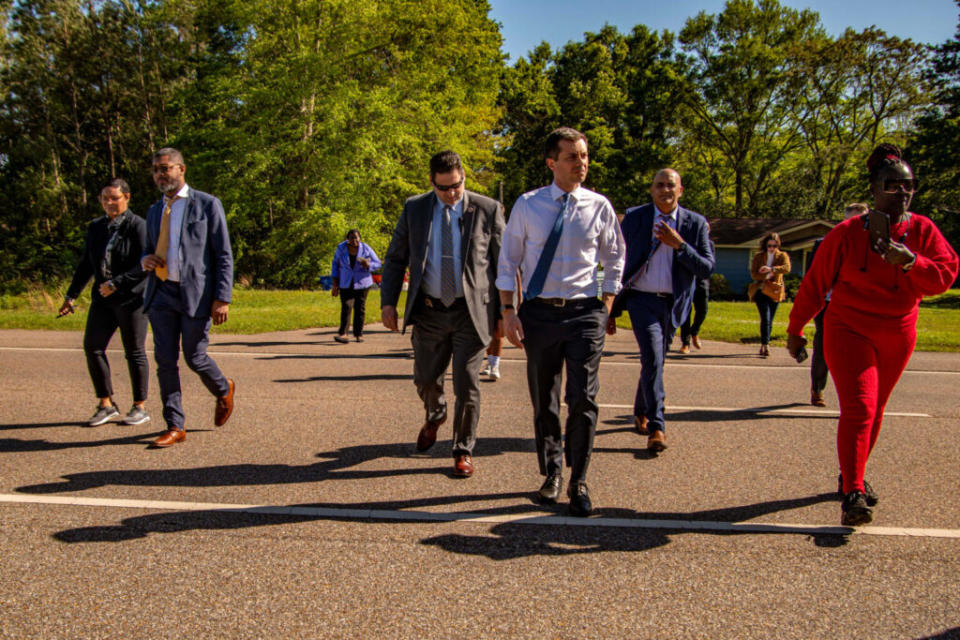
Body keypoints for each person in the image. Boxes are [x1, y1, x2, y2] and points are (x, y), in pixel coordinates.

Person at [787, 143, 958, 526]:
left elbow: (945, 276)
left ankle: (854, 474)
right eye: (892, 185)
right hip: (849, 329)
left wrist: (911, 261)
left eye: (908, 185)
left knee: (876, 410)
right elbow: (815, 285)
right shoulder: (846, 234)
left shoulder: (923, 230)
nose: (902, 193)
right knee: (860, 407)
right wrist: (795, 330)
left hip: (898, 332)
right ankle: (853, 493)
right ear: (874, 189)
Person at [498, 127, 625, 517]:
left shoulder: (598, 206)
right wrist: (508, 311)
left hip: (585, 312)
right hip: (539, 313)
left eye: (584, 156)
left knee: (583, 397)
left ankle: (579, 479)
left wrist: (606, 301)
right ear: (552, 163)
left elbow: (615, 255)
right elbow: (509, 261)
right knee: (545, 399)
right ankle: (552, 471)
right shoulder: (528, 205)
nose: (581, 163)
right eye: (572, 157)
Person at [380, 150, 504, 478]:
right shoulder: (415, 209)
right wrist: (388, 302)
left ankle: (462, 449)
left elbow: (503, 264)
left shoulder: (488, 209)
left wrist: (506, 312)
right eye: (444, 187)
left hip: (471, 312)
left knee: (467, 384)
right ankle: (435, 415)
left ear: (463, 176)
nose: (452, 193)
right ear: (432, 182)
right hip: (430, 312)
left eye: (457, 185)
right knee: (424, 379)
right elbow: (396, 258)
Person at [609, 169, 714, 452]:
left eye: (671, 186)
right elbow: (616, 260)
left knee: (655, 362)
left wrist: (679, 245)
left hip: (675, 303)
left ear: (681, 190)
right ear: (651, 190)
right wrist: (609, 305)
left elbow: (706, 267)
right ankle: (657, 426)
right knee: (653, 358)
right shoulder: (635, 218)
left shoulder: (695, 223)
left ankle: (641, 408)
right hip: (641, 301)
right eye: (659, 185)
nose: (665, 190)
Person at [140, 148, 236, 448]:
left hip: (195, 294)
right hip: (162, 292)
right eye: (156, 169)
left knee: (194, 356)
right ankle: (174, 425)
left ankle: (223, 387)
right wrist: (146, 260)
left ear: (182, 169)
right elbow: (148, 247)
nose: (160, 174)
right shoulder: (155, 210)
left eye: (165, 168)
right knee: (165, 360)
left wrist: (222, 297)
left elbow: (223, 254)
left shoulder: (207, 204)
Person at [58, 178, 150, 427]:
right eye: (104, 199)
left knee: (134, 352)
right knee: (92, 347)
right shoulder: (96, 227)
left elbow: (146, 264)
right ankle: (106, 403)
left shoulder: (138, 226)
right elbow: (87, 264)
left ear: (127, 198)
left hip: (132, 299)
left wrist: (117, 283)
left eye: (114, 198)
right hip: (102, 300)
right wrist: (71, 295)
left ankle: (139, 406)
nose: (109, 203)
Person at [809, 202, 869, 407]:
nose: (857, 224)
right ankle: (817, 389)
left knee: (857, 352)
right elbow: (812, 277)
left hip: (859, 306)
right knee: (823, 347)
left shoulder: (873, 245)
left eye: (862, 220)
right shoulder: (824, 242)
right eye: (852, 220)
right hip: (828, 304)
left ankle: (857, 396)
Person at [330, 229, 381, 343]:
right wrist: (335, 283)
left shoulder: (366, 248)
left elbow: (377, 263)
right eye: (351, 238)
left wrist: (368, 265)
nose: (354, 240)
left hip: (362, 282)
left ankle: (358, 334)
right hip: (346, 281)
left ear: (360, 238)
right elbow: (335, 264)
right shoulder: (341, 248)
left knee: (360, 307)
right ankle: (343, 334)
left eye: (356, 237)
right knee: (346, 306)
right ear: (347, 239)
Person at [749, 232, 791, 357]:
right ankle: (765, 345)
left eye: (774, 245)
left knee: (770, 320)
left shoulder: (782, 256)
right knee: (765, 318)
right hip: (761, 290)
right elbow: (754, 274)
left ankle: (765, 342)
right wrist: (765, 275)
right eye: (769, 246)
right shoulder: (758, 257)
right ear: (765, 245)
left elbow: (787, 268)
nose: (772, 248)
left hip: (775, 291)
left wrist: (772, 269)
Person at [679, 271, 710, 354]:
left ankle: (694, 331)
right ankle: (685, 343)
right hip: (685, 279)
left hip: (701, 278)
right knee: (686, 311)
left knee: (703, 310)